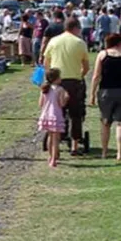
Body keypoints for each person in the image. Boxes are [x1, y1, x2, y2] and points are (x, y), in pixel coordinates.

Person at [43, 17, 90, 157]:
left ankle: (55, 143)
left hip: (57, 82)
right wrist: (80, 75)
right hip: (74, 82)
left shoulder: (54, 41)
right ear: (76, 28)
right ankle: (75, 146)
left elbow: (46, 62)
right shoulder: (80, 43)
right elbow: (86, 67)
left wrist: (50, 79)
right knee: (76, 114)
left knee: (57, 113)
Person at [90, 34, 121, 161]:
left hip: (106, 91)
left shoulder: (102, 55)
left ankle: (104, 152)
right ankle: (120, 153)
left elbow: (96, 76)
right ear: (119, 42)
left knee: (105, 123)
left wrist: (92, 94)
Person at [38, 68, 69, 168]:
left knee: (50, 137)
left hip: (46, 115)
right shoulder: (60, 89)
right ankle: (54, 159)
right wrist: (66, 97)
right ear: (56, 79)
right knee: (56, 139)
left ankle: (50, 156)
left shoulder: (44, 89)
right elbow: (61, 104)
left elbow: (40, 104)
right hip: (55, 115)